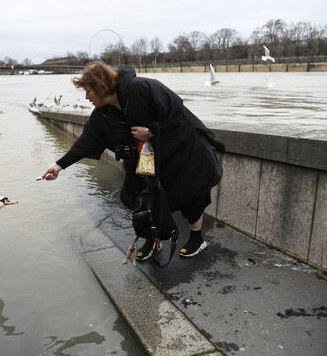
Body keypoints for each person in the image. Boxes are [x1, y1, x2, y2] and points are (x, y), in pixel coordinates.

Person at [40, 60, 224, 261]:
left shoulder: (141, 87)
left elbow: (176, 112)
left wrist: (152, 132)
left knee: (191, 195)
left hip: (181, 151)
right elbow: (86, 141)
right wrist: (58, 166)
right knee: (138, 198)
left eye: (88, 91)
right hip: (146, 163)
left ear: (101, 86)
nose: (86, 97)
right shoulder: (103, 114)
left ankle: (197, 238)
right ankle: (153, 238)